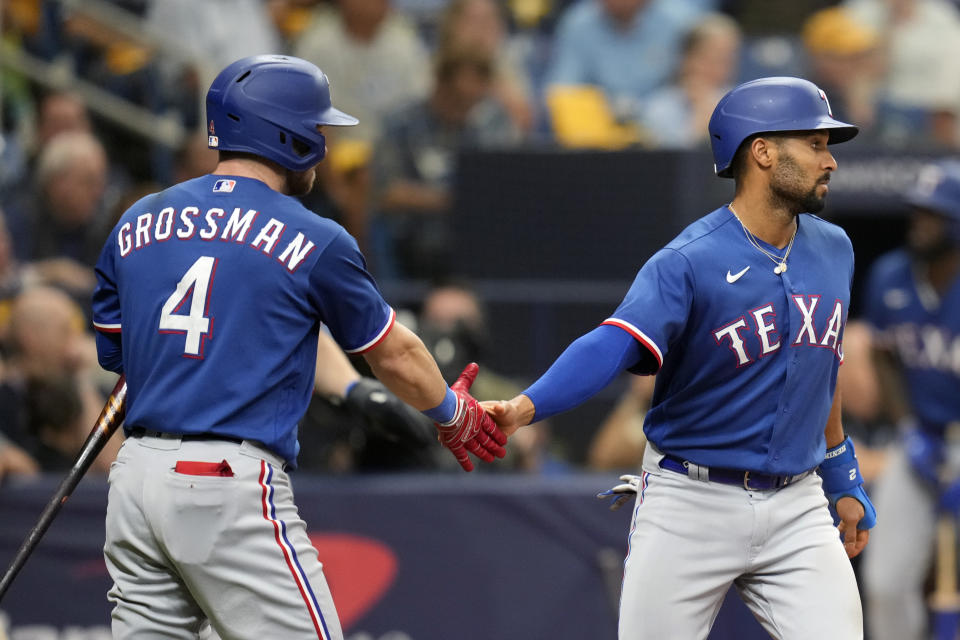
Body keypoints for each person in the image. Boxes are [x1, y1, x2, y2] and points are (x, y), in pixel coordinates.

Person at [90, 55, 506, 639]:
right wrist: (453, 414)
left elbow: (119, 356)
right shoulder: (315, 235)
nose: (325, 143)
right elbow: (396, 353)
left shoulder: (137, 219)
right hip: (225, 481)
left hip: (134, 480)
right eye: (318, 129)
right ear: (287, 136)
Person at [485, 76, 876, 638]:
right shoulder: (689, 259)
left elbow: (823, 361)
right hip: (691, 501)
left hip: (798, 505)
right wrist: (526, 407)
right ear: (762, 152)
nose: (829, 160)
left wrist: (841, 469)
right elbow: (612, 342)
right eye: (813, 143)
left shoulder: (834, 247)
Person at [860, 160, 960, 640]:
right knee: (886, 582)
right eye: (917, 212)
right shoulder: (890, 276)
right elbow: (883, 357)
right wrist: (907, 429)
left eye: (934, 215)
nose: (920, 223)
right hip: (919, 438)